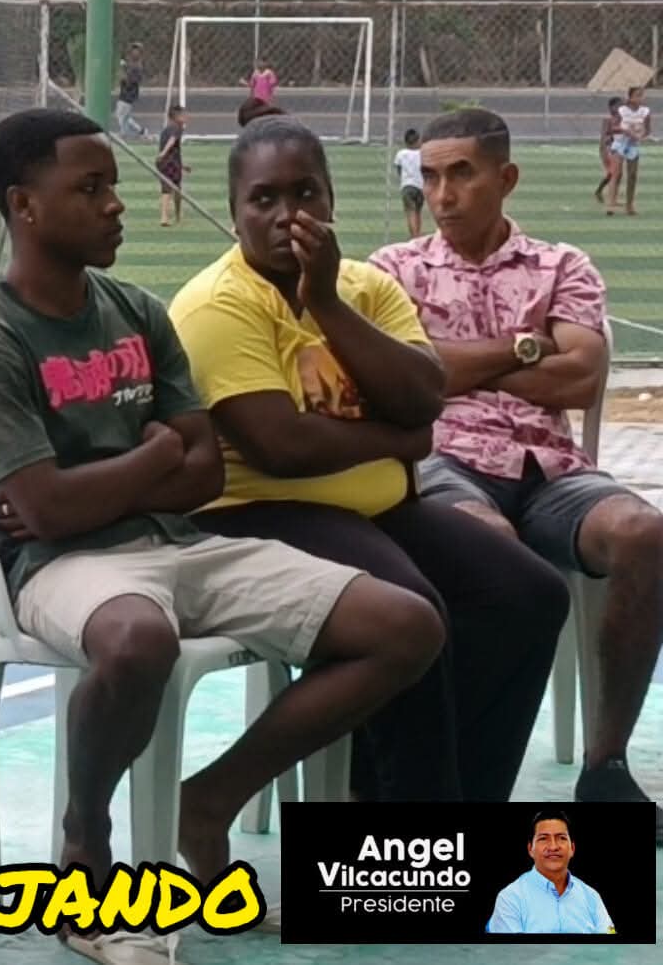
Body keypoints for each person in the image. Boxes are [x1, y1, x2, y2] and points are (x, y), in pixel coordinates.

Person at [0, 108, 442, 965]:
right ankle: (86, 846)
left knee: (406, 626)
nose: (116, 204)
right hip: (59, 566)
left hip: (179, 542)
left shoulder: (137, 309)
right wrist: (152, 456)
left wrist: (113, 479)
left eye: (113, 185)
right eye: (90, 188)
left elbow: (204, 471)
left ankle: (206, 801)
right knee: (139, 640)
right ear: (24, 205)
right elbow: (47, 514)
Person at [171, 114, 570, 804]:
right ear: (234, 213)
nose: (287, 214)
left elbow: (423, 395)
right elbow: (281, 447)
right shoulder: (216, 305)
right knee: (413, 609)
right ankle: (405, 825)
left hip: (379, 509)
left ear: (331, 200)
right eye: (263, 198)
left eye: (305, 193)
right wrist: (398, 440)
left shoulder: (365, 287)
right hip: (257, 514)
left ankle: (459, 807)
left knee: (530, 595)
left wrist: (325, 302)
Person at [373, 107, 663, 840]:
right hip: (445, 461)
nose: (443, 194)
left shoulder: (562, 265)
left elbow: (583, 376)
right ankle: (459, 779)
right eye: (432, 176)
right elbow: (408, 378)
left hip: (551, 469)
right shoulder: (393, 270)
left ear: (505, 178)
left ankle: (605, 766)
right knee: (489, 550)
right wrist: (527, 346)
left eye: (461, 174)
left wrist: (454, 363)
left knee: (645, 533)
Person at [487, 811, 616, 934]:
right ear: (530, 849)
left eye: (561, 838)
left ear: (572, 848)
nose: (553, 847)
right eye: (543, 838)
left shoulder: (592, 897)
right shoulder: (510, 898)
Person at [609, 86, 649, 215]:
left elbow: (647, 130)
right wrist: (626, 131)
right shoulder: (622, 110)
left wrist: (640, 135)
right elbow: (613, 128)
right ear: (631, 97)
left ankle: (629, 205)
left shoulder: (645, 111)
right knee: (617, 173)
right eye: (638, 95)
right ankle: (611, 204)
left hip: (633, 145)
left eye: (642, 95)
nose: (641, 98)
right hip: (620, 143)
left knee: (632, 175)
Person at [155, 104, 188, 227]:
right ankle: (176, 216)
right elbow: (172, 141)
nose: (186, 117)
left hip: (164, 163)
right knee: (176, 189)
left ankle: (165, 217)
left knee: (166, 189)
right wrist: (163, 153)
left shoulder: (167, 129)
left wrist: (182, 165)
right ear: (177, 117)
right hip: (170, 162)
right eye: (183, 115)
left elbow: (174, 149)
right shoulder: (177, 127)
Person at [396, 128, 426, 238]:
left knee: (410, 211)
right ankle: (418, 233)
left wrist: (403, 179)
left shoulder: (401, 154)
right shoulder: (422, 153)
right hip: (420, 186)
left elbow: (399, 169)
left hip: (407, 185)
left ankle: (414, 235)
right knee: (418, 211)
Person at [595, 97, 624, 207]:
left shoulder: (621, 119)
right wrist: (604, 149)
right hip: (608, 150)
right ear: (611, 107)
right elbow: (604, 136)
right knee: (615, 173)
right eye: (618, 106)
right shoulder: (608, 120)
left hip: (617, 150)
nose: (620, 108)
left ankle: (603, 193)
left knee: (616, 174)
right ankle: (610, 198)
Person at [115, 42, 148, 138]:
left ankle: (124, 132)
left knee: (121, 114)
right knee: (124, 115)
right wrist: (124, 67)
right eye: (133, 49)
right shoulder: (131, 64)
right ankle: (141, 131)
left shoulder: (138, 66)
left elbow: (132, 80)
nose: (134, 52)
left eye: (137, 50)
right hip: (125, 92)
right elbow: (127, 72)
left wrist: (124, 78)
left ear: (140, 53)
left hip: (129, 94)